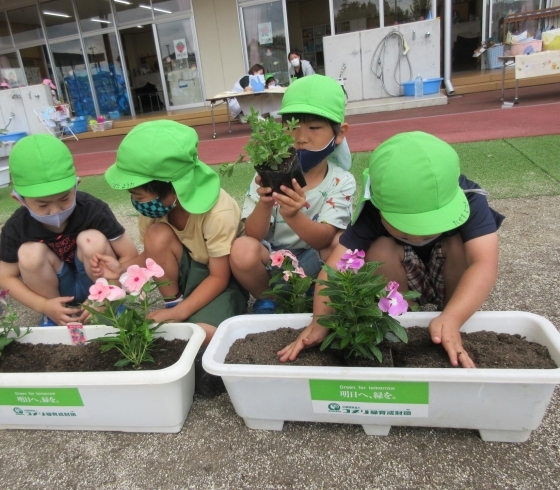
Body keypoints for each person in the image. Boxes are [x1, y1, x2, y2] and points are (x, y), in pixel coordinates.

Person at [278, 131, 505, 368]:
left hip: (449, 273)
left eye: (429, 228)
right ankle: (407, 319)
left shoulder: (469, 197)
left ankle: (447, 316)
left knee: (458, 244)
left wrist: (453, 317)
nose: (417, 237)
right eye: (404, 230)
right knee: (379, 249)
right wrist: (320, 320)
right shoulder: (372, 208)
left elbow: (484, 264)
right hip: (403, 276)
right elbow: (337, 265)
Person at [101, 120, 248, 346]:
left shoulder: (218, 212)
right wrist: (121, 268)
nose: (136, 202)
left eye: (139, 196)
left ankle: (183, 311)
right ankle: (174, 302)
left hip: (221, 278)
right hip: (186, 274)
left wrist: (180, 314)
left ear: (174, 187)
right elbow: (153, 254)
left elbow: (220, 276)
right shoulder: (153, 209)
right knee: (156, 235)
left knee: (201, 335)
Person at [229, 74, 356, 314]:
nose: (300, 137)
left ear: (339, 134)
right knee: (241, 248)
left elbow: (324, 240)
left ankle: (316, 293)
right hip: (273, 259)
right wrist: (265, 203)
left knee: (339, 245)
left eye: (315, 127)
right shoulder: (268, 173)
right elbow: (254, 234)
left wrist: (293, 215)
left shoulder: (341, 181)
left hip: (313, 260)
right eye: (291, 126)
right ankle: (270, 298)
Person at [0, 134, 139, 327]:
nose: (55, 211)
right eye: (42, 204)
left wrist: (110, 288)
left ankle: (109, 304)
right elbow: (6, 277)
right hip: (55, 291)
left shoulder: (92, 209)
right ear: (19, 199)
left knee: (92, 239)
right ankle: (59, 314)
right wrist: (43, 305)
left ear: (76, 185)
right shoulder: (16, 227)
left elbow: (129, 255)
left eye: (65, 199)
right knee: (29, 253)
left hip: (97, 283)